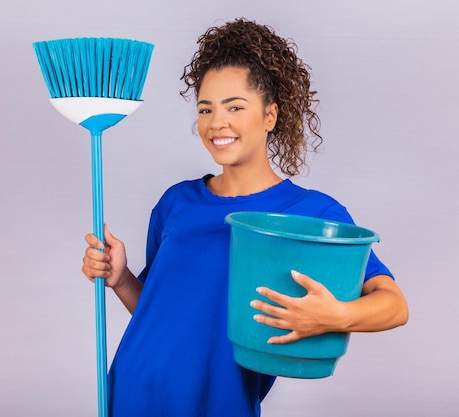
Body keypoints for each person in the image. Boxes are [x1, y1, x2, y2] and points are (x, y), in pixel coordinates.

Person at [81, 17, 408, 417]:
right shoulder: (176, 203)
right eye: (206, 109)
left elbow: (394, 305)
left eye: (235, 106)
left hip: (220, 404)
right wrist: (121, 279)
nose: (217, 122)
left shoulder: (311, 213)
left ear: (270, 116)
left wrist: (335, 315)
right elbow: (162, 312)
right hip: (132, 392)